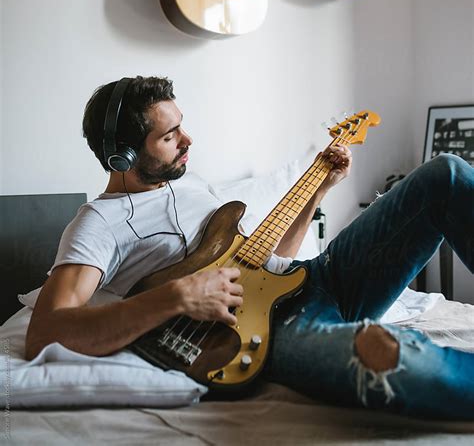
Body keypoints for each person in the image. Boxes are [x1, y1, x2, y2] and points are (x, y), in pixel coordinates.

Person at [25, 76, 474, 420]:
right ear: (122, 156)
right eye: (169, 136)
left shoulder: (193, 183)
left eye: (182, 126)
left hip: (315, 278)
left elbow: (273, 255)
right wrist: (176, 297)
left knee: (446, 172)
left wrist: (319, 190)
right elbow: (45, 331)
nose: (188, 141)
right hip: (267, 326)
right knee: (384, 360)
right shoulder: (97, 222)